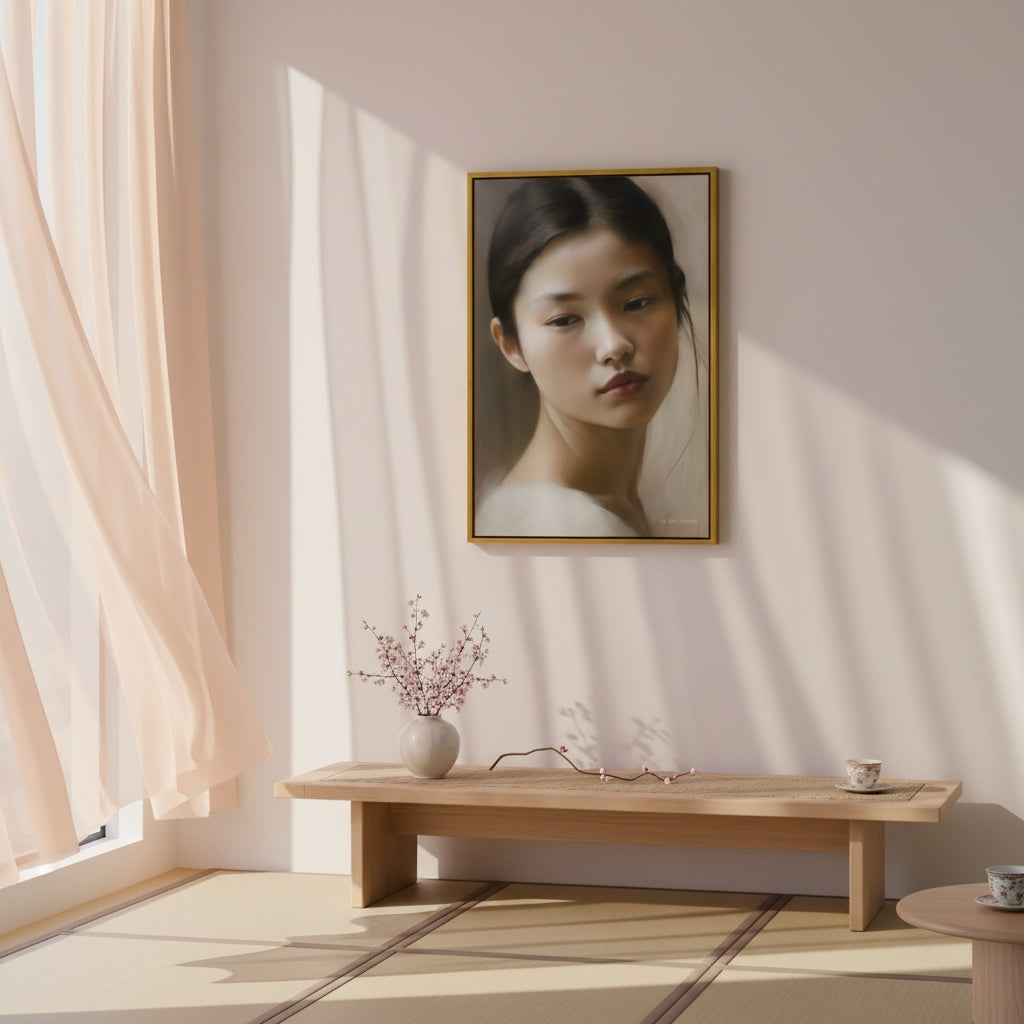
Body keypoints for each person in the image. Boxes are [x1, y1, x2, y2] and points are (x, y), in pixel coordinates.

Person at [474, 175, 703, 538]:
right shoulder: (564, 525)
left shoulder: (615, 504)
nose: (614, 345)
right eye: (564, 320)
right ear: (511, 345)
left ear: (675, 298)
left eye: (637, 303)